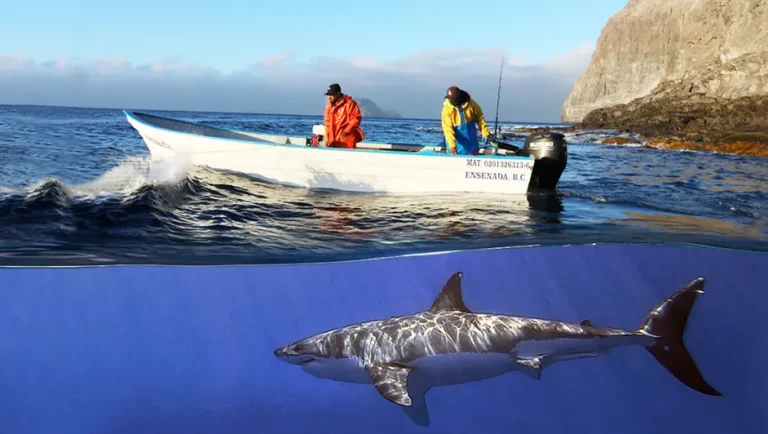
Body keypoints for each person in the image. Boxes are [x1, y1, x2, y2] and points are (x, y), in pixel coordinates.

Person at [441, 86, 492, 155]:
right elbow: (448, 130)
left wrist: (485, 133)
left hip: (472, 144)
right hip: (457, 147)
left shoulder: (471, 104)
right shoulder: (446, 110)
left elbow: (480, 118)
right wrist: (452, 146)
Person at [323, 83, 365, 148]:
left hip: (346, 140)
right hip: (333, 140)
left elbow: (356, 118)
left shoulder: (349, 104)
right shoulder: (329, 106)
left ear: (338, 93)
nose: (330, 97)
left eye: (332, 95)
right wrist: (328, 139)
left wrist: (346, 131)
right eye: (329, 95)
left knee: (348, 157)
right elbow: (327, 124)